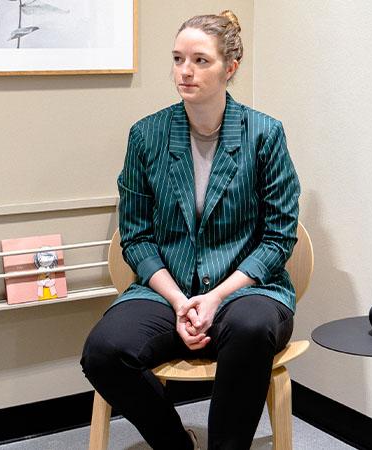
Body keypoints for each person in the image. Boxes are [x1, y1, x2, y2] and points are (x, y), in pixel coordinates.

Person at [81, 10, 301, 450]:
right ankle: (174, 443)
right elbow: (137, 236)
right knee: (104, 351)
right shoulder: (147, 135)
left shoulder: (264, 134)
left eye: (201, 60)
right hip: (167, 290)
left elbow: (279, 237)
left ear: (230, 68)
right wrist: (181, 302)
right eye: (179, 58)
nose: (185, 71)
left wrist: (216, 296)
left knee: (252, 328)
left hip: (248, 292)